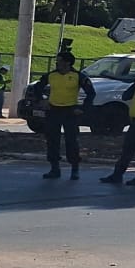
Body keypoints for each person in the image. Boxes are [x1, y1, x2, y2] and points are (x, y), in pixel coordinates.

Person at [31, 52, 96, 180]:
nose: (57, 63)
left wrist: (82, 109)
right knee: (52, 139)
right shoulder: (51, 75)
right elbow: (38, 87)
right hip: (54, 110)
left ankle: (75, 168)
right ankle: (54, 168)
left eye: (60, 61)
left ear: (67, 63)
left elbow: (91, 93)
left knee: (71, 140)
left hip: (70, 111)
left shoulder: (78, 76)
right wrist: (42, 100)